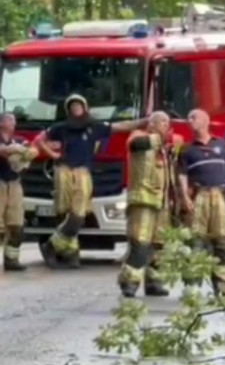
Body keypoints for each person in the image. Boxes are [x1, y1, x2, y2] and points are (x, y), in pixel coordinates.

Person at [34, 95, 148, 269]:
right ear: (68, 110)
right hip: (63, 171)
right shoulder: (60, 128)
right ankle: (71, 254)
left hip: (82, 173)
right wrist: (53, 154)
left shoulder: (94, 126)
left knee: (78, 214)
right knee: (64, 212)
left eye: (79, 106)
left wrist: (144, 121)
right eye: (72, 107)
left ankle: (51, 245)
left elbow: (121, 127)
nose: (76, 109)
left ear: (85, 108)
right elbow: (39, 139)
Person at [177, 109, 225, 295]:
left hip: (221, 196)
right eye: (188, 117)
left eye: (193, 117)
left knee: (222, 242)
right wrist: (184, 197)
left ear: (206, 121)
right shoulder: (187, 150)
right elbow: (182, 175)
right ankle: (193, 288)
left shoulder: (221, 146)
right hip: (199, 197)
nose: (189, 121)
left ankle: (221, 286)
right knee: (196, 242)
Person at [118, 111, 182, 298]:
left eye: (168, 122)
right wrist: (161, 139)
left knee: (160, 245)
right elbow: (137, 146)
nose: (166, 125)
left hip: (162, 203)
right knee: (140, 242)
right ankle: (129, 282)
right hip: (143, 199)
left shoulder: (165, 147)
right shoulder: (139, 137)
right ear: (151, 125)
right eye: (161, 121)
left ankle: (154, 282)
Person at [0, 112, 38, 271]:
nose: (14, 123)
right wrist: (16, 149)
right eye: (10, 120)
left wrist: (28, 153)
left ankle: (11, 260)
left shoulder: (19, 139)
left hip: (14, 184)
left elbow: (33, 149)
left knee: (17, 225)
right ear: (2, 123)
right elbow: (3, 151)